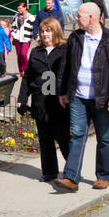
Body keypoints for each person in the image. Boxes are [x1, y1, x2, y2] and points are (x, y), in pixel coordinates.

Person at [56, 1, 109, 192]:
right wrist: (63, 91)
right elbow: (66, 66)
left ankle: (103, 176)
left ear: (91, 17)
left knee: (104, 138)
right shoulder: (75, 38)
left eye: (79, 15)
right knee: (77, 135)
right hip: (78, 97)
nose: (76, 18)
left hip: (103, 99)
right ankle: (71, 177)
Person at [18, 18, 71, 182]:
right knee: (45, 139)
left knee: (63, 138)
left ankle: (72, 171)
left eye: (48, 31)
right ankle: (49, 172)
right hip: (40, 101)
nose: (45, 34)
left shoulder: (65, 49)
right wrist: (22, 98)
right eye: (42, 31)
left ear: (56, 32)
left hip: (59, 102)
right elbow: (27, 77)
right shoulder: (36, 52)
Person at [11, 0, 35, 74]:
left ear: (25, 8)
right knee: (19, 56)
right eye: (18, 8)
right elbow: (13, 26)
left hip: (26, 38)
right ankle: (21, 71)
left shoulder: (31, 17)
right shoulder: (16, 16)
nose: (19, 10)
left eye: (20, 8)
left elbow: (34, 28)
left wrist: (35, 36)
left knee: (23, 54)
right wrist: (13, 34)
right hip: (17, 38)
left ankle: (27, 70)